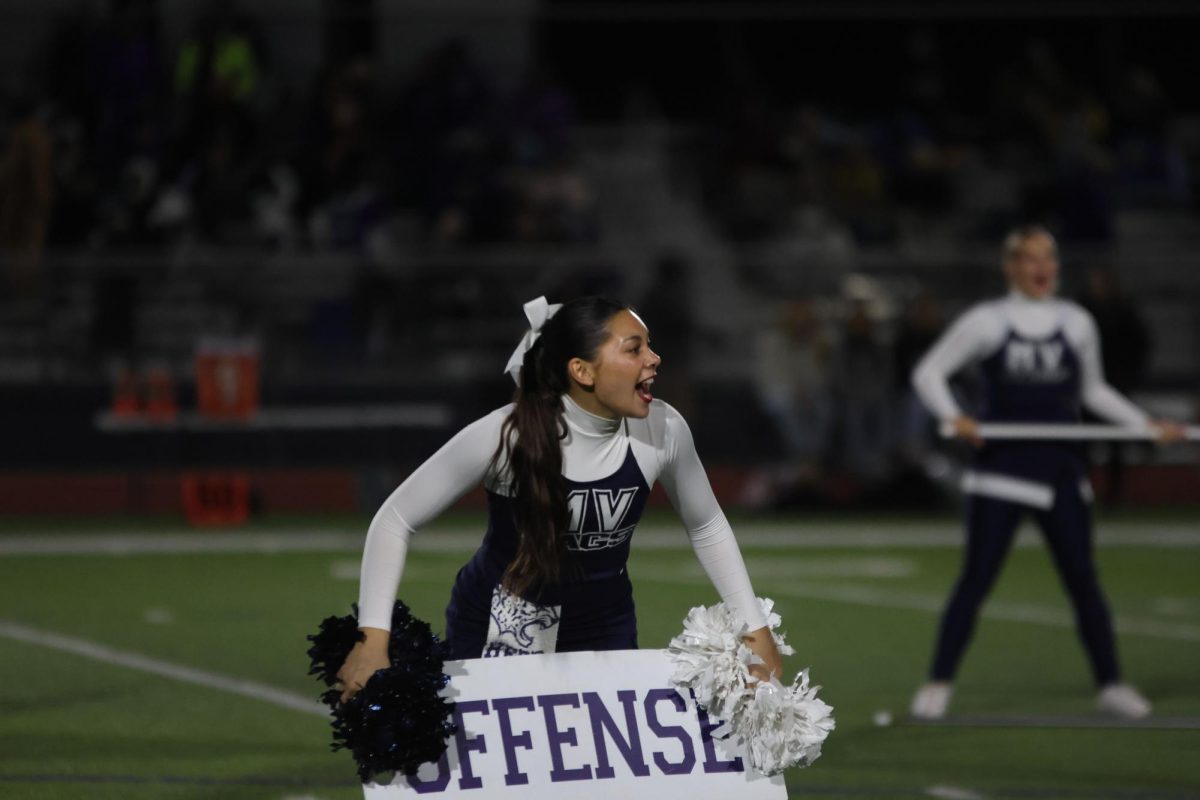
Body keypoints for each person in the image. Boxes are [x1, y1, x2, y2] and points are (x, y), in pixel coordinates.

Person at [337, 296, 784, 703]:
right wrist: (373, 640)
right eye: (634, 349)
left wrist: (754, 627)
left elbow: (706, 525)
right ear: (582, 371)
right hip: (503, 625)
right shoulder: (506, 435)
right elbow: (395, 518)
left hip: (605, 625)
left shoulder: (664, 429)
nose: (654, 358)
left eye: (649, 346)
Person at [908, 225, 1184, 720]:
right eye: (1029, 258)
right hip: (1001, 473)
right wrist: (955, 417)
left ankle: (1110, 684)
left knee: (1083, 579)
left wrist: (1145, 425)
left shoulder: (1077, 322)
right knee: (976, 580)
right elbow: (928, 373)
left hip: (1060, 469)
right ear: (1010, 266)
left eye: (1049, 258)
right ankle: (938, 683)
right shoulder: (987, 321)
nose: (1041, 267)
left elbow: (1093, 391)